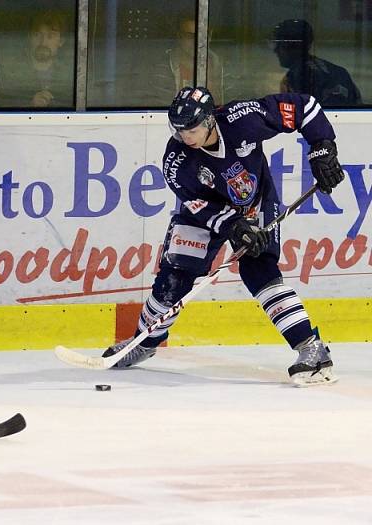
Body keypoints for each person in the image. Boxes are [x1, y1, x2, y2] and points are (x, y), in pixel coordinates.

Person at [100, 86, 344, 387]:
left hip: (256, 203)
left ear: (208, 122)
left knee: (261, 271)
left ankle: (312, 349)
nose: (183, 136)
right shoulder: (176, 160)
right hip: (207, 214)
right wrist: (232, 226)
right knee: (175, 276)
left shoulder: (244, 119)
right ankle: (144, 342)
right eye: (177, 129)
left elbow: (304, 106)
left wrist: (322, 148)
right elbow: (197, 205)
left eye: (190, 129)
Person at [271, 19, 361, 107]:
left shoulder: (296, 78)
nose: (276, 51)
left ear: (292, 48)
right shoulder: (339, 72)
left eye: (280, 45)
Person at [0, 11, 73, 108]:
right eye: (37, 35)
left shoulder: (72, 73)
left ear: (61, 41)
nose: (43, 42)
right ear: (29, 37)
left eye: (50, 36)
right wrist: (29, 105)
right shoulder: (9, 71)